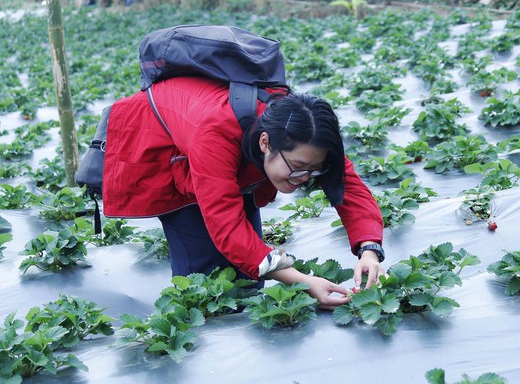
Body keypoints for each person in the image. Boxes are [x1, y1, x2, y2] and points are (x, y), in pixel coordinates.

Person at [102, 76, 384, 309]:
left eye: (314, 170)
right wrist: (303, 281)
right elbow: (226, 224)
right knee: (204, 277)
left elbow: (349, 185)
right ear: (265, 143)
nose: (304, 179)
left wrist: (369, 250)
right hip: (168, 154)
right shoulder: (215, 132)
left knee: (249, 274)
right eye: (298, 167)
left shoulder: (302, 129)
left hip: (231, 157)